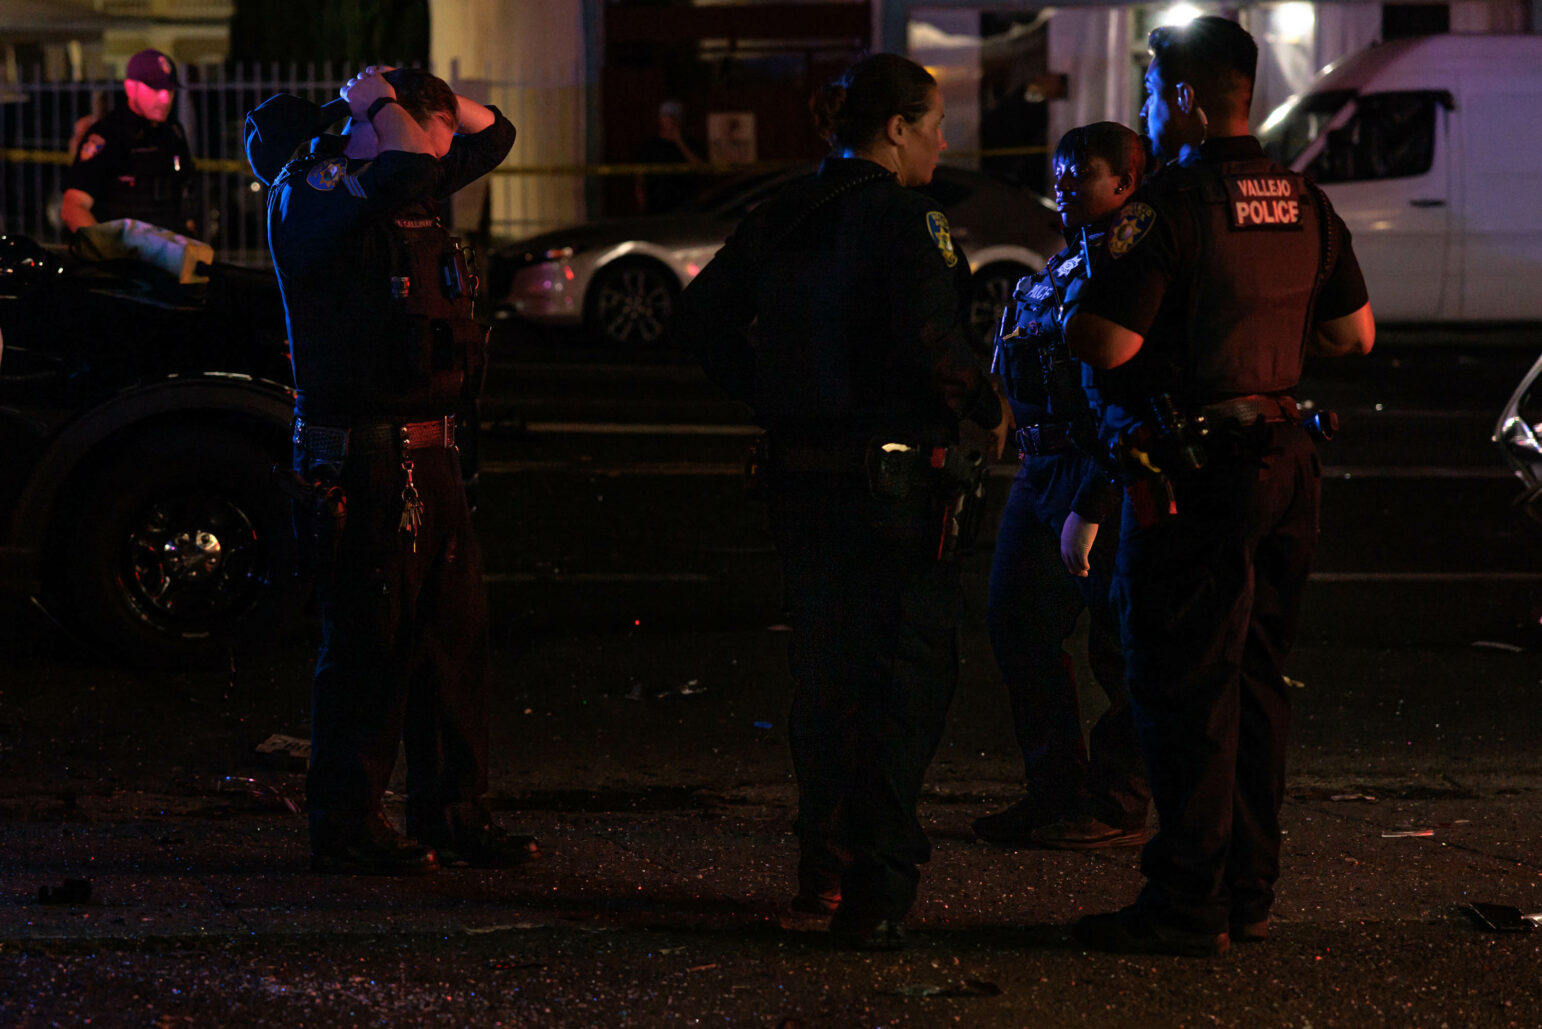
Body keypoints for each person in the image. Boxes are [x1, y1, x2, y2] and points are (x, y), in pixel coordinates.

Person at [674, 53, 1005, 950]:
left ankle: (821, 863)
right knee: (900, 685)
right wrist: (986, 402)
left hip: (801, 481)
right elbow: (936, 345)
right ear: (896, 128)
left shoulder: (784, 210)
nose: (943, 141)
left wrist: (774, 397)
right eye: (934, 124)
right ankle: (877, 888)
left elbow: (699, 321)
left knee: (825, 681)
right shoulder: (908, 220)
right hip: (890, 492)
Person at [1064, 16, 1375, 956]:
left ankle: (1186, 903)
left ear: (1189, 99)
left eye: (1155, 93)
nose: (1149, 110)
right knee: (1256, 684)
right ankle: (1248, 889)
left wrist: (1086, 317)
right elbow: (1353, 336)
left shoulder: (1171, 205)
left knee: (1182, 686)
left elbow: (1109, 342)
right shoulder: (1305, 201)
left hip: (1195, 474)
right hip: (1286, 461)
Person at [247, 66, 538, 876]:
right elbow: (416, 163)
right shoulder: (313, 195)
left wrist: (430, 98)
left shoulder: (386, 188)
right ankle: (347, 821)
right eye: (415, 127)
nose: (435, 150)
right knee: (370, 646)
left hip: (430, 451)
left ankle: (455, 812)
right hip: (367, 456)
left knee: (453, 643)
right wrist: (374, 96)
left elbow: (495, 133)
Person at [972, 123, 1152, 851]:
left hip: (1095, 468)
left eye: (1082, 173)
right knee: (1016, 621)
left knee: (1123, 648)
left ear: (1125, 182)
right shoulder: (1065, 259)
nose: (1065, 183)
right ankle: (1056, 791)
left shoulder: (1131, 263)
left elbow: (1128, 387)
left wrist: (1098, 498)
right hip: (1040, 469)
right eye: (1060, 170)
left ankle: (1114, 799)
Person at [62, 49, 194, 235]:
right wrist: (106, 251)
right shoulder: (108, 135)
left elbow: (184, 194)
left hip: (167, 252)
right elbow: (73, 207)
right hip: (126, 255)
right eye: (155, 89)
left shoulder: (172, 132)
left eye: (169, 90)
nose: (165, 99)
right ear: (131, 88)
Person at [633, 99, 705, 214]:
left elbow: (700, 168)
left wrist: (680, 142)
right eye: (667, 116)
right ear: (660, 118)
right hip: (656, 205)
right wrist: (642, 202)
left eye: (675, 117)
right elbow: (640, 177)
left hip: (685, 205)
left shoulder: (690, 143)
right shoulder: (650, 145)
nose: (671, 120)